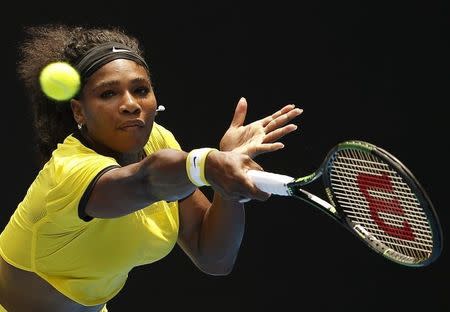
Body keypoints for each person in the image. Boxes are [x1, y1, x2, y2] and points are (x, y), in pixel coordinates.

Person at [0, 23, 302, 312]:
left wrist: (228, 184)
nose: (130, 104)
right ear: (79, 110)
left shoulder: (158, 140)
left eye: (141, 90)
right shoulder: (70, 170)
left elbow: (213, 257)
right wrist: (208, 164)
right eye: (108, 93)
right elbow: (146, 180)